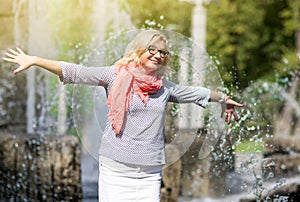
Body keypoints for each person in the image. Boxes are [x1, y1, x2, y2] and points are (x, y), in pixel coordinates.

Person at [3, 29, 244, 202]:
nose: (158, 55)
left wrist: (222, 99)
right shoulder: (115, 75)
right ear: (140, 49)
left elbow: (194, 92)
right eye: (152, 49)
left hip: (149, 172)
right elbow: (75, 71)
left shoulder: (163, 86)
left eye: (163, 52)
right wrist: (34, 60)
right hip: (115, 169)